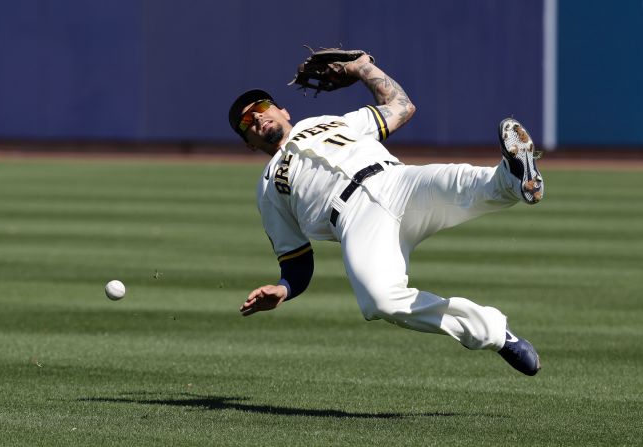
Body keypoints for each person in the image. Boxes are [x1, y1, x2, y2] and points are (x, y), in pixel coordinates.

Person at [228, 53, 543, 376]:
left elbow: (401, 106)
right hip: (355, 222)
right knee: (379, 301)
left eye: (261, 108)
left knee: (459, 183)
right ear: (249, 143)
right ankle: (494, 333)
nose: (255, 118)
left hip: (394, 181)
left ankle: (515, 177)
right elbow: (296, 260)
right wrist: (284, 288)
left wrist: (363, 68)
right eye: (245, 122)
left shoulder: (330, 121)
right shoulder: (267, 189)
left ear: (283, 110)